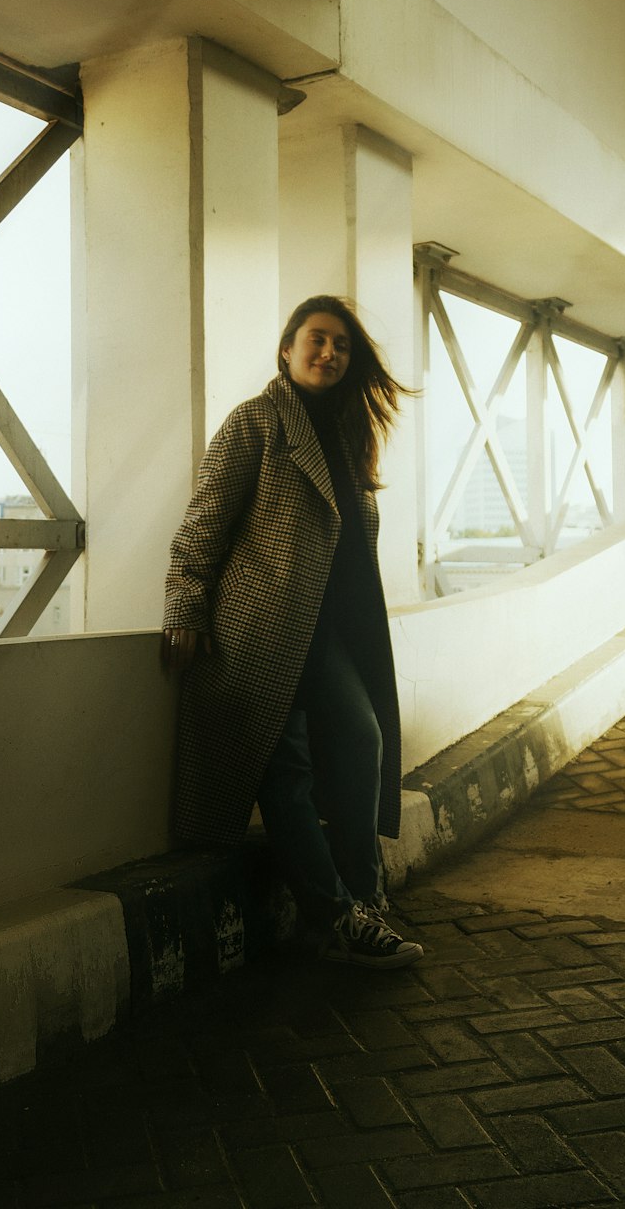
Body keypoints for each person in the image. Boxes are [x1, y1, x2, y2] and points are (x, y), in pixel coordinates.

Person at [160, 295, 423, 969]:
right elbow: (203, 522)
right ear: (286, 349)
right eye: (317, 340)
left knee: (362, 735)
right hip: (258, 630)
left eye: (341, 345)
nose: (330, 353)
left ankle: (363, 899)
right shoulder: (255, 423)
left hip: (324, 630)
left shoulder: (345, 435)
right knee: (287, 770)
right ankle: (338, 919)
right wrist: (185, 607)